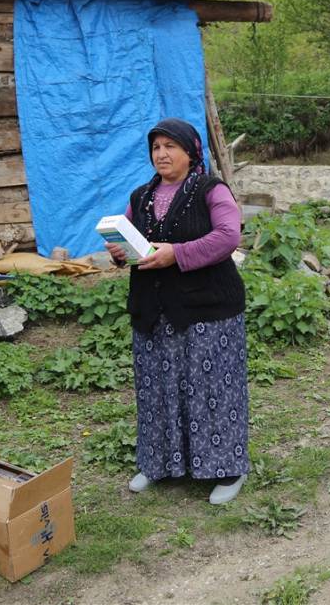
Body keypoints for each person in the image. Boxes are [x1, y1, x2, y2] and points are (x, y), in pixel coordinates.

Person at [106, 118, 249, 505]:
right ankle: (159, 464)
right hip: (154, 309)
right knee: (157, 390)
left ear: (191, 151)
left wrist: (176, 254)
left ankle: (227, 469)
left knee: (213, 390)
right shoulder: (140, 196)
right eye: (156, 147)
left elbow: (227, 236)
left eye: (171, 146)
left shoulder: (210, 190)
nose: (162, 154)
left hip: (208, 308)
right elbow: (135, 244)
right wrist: (122, 253)